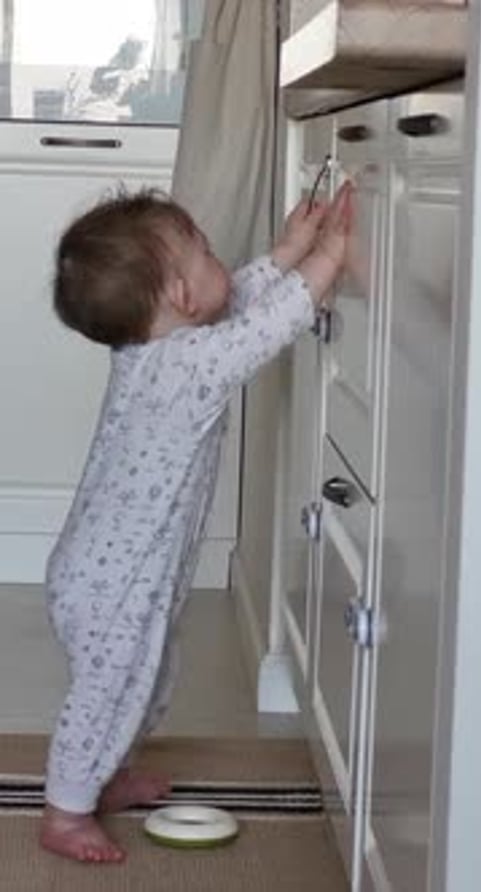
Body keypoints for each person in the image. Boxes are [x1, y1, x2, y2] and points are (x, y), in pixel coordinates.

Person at [39, 181, 353, 863]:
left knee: (148, 678)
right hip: (111, 584)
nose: (219, 259)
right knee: (108, 689)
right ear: (180, 296)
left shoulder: (158, 349)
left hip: (109, 572)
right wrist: (330, 255)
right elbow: (264, 329)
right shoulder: (186, 366)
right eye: (205, 251)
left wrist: (287, 251)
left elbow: (233, 302)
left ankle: (108, 774)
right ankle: (64, 810)